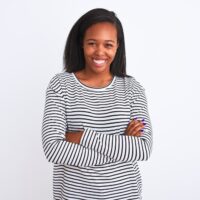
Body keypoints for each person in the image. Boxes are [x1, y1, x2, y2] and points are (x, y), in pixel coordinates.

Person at [42, 8, 153, 200]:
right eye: (92, 43)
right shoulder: (61, 85)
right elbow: (53, 149)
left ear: (118, 46)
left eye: (108, 44)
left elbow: (142, 148)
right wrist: (122, 146)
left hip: (125, 195)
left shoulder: (132, 89)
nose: (100, 52)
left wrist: (82, 136)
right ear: (81, 44)